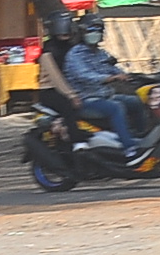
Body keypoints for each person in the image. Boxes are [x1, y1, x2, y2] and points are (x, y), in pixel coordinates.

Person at [38, 11, 149, 163]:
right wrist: (71, 95)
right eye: (91, 30)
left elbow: (108, 67)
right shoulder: (64, 52)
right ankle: (126, 148)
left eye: (97, 30)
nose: (94, 34)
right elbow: (67, 76)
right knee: (107, 107)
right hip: (62, 92)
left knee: (136, 102)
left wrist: (126, 75)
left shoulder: (93, 51)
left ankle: (137, 137)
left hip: (95, 92)